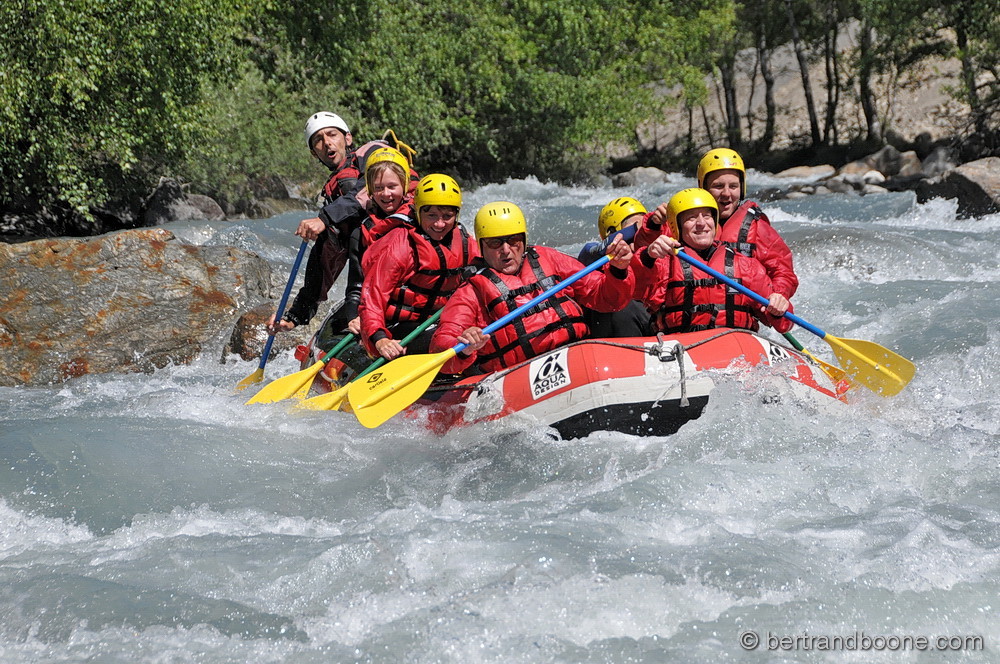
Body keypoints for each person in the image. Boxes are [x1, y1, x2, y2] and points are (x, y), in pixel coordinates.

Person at [430, 201, 635, 375]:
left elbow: (607, 297)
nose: (506, 250)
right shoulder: (471, 289)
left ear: (524, 240)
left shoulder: (548, 258)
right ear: (482, 247)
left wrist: (618, 270)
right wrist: (465, 346)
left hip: (575, 357)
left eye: (513, 240)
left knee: (629, 312)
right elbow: (441, 345)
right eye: (494, 243)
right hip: (521, 377)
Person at [634, 148, 798, 301]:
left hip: (737, 313)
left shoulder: (757, 229)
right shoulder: (680, 221)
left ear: (742, 188)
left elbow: (784, 273)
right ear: (703, 187)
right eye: (718, 186)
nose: (726, 193)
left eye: (733, 186)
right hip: (686, 313)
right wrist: (654, 225)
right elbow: (641, 262)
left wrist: (777, 296)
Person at [632, 188, 793, 335]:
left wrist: (778, 308)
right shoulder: (664, 263)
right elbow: (634, 290)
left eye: (707, 216)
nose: (702, 223)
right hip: (682, 348)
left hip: (736, 349)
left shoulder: (745, 265)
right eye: (691, 218)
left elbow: (785, 324)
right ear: (677, 226)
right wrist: (647, 256)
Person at [358, 174, 478, 361]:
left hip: (441, 323)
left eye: (447, 216)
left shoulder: (464, 242)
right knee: (447, 342)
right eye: (431, 215)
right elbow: (372, 298)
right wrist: (379, 339)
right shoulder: (399, 245)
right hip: (399, 328)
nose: (439, 224)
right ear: (418, 211)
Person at [267, 112, 362, 333]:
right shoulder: (335, 195)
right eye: (318, 140)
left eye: (332, 134)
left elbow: (369, 192)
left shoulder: (369, 159)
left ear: (347, 139)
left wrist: (325, 218)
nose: (327, 142)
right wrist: (294, 315)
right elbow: (326, 258)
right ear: (314, 153)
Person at [577, 197, 652, 338]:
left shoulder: (655, 253)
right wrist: (638, 229)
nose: (645, 238)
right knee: (624, 307)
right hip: (613, 329)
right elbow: (588, 252)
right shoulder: (594, 256)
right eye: (641, 232)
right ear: (612, 235)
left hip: (651, 330)